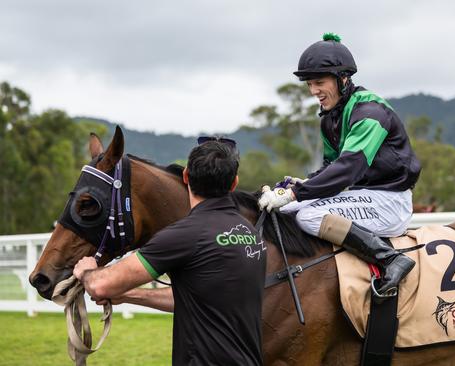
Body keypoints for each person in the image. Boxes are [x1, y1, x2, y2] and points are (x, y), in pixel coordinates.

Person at [73, 139, 266, 366]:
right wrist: (128, 295)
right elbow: (200, 298)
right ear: (234, 183)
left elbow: (101, 285)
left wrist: (87, 272)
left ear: (186, 176)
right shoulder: (251, 234)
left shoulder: (184, 234)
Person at [258, 33, 421, 296]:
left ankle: (390, 259)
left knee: (308, 215)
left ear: (343, 78)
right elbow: (330, 167)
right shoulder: (330, 118)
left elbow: (348, 169)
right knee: (287, 210)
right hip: (364, 196)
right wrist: (302, 184)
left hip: (390, 202)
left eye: (319, 82)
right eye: (309, 84)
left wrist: (295, 193)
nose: (314, 92)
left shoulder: (370, 112)